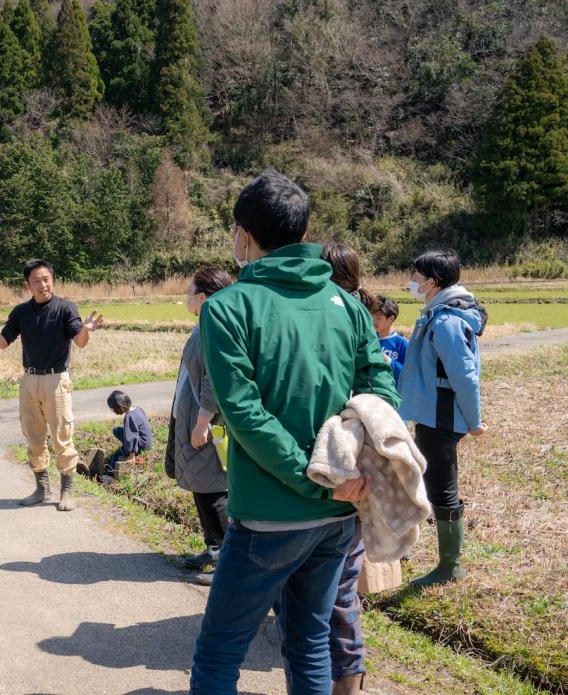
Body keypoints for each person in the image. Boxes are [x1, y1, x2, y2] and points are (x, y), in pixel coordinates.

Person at [190, 170, 400, 695]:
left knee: (219, 651)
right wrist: (346, 473)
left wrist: (314, 480)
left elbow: (244, 415)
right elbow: (382, 396)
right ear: (303, 232)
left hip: (269, 515)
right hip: (338, 515)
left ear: (243, 234)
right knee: (308, 641)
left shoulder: (227, 307)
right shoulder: (346, 304)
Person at [0, 259, 103, 511]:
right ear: (28, 285)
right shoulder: (21, 312)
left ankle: (67, 491)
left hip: (56, 379)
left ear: (53, 280)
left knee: (62, 437)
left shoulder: (65, 308)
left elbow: (79, 341)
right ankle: (41, 489)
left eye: (46, 279)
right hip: (29, 380)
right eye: (36, 280)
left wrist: (87, 329)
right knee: (34, 438)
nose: (42, 284)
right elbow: (4, 341)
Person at [399, 249, 487, 587]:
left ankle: (450, 566)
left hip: (442, 418)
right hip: (433, 414)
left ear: (432, 282)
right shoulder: (437, 313)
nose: (412, 282)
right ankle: (446, 561)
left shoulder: (446, 321)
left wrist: (475, 421)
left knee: (442, 489)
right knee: (435, 482)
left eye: (416, 276)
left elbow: (465, 376)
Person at [319, 241, 380, 694]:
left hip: (340, 464)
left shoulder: (339, 316)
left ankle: (344, 680)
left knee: (336, 590)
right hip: (359, 464)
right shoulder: (358, 312)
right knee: (341, 587)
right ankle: (347, 678)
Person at [164, 267, 233, 588]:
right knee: (201, 487)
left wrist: (203, 421)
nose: (186, 297)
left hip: (206, 423)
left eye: (189, 291)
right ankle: (213, 548)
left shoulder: (214, 329)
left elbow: (214, 380)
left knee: (213, 492)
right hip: (191, 418)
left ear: (203, 297)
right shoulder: (204, 326)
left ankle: (225, 562)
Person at [100, 390, 152, 484]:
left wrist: (131, 453)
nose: (113, 411)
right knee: (116, 430)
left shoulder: (129, 417)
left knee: (117, 454)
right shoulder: (138, 409)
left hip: (142, 445)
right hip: (146, 440)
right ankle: (129, 448)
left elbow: (132, 436)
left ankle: (109, 475)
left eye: (113, 408)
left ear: (119, 407)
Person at [373, 296, 407, 387]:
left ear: (391, 318)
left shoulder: (402, 344)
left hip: (391, 395)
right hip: (370, 394)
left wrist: (388, 360)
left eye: (378, 318)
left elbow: (407, 374)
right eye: (372, 317)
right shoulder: (369, 340)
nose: (373, 321)